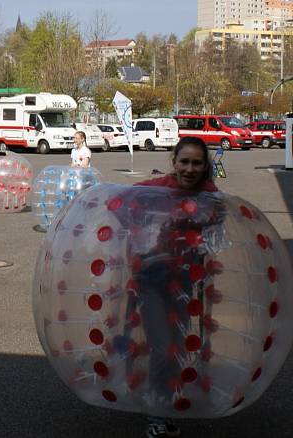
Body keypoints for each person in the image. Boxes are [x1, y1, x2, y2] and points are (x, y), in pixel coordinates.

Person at [133, 137, 217, 438]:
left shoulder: (209, 193)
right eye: (185, 161)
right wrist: (140, 233)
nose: (190, 168)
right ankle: (157, 413)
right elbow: (122, 200)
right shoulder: (157, 188)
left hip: (183, 282)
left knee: (177, 346)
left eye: (197, 163)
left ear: (205, 166)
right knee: (161, 348)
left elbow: (217, 223)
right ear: (174, 162)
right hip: (152, 278)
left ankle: (165, 407)